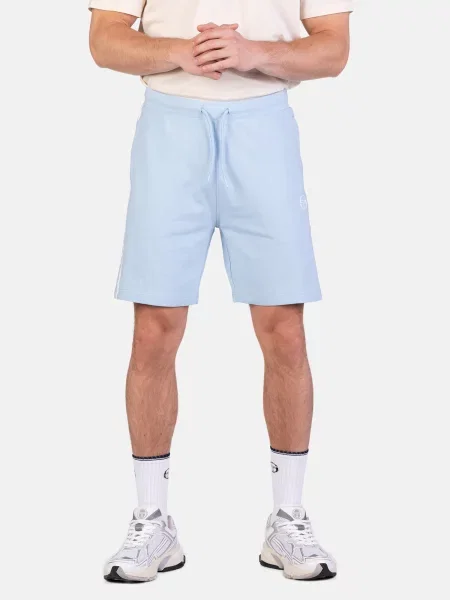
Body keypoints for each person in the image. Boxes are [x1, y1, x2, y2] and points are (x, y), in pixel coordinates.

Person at [88, 0, 352, 583]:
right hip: (170, 124)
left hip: (263, 124)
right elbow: (105, 39)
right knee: (154, 328)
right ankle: (152, 519)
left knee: (284, 327)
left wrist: (254, 53)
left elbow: (333, 48)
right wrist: (180, 51)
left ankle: (288, 516)